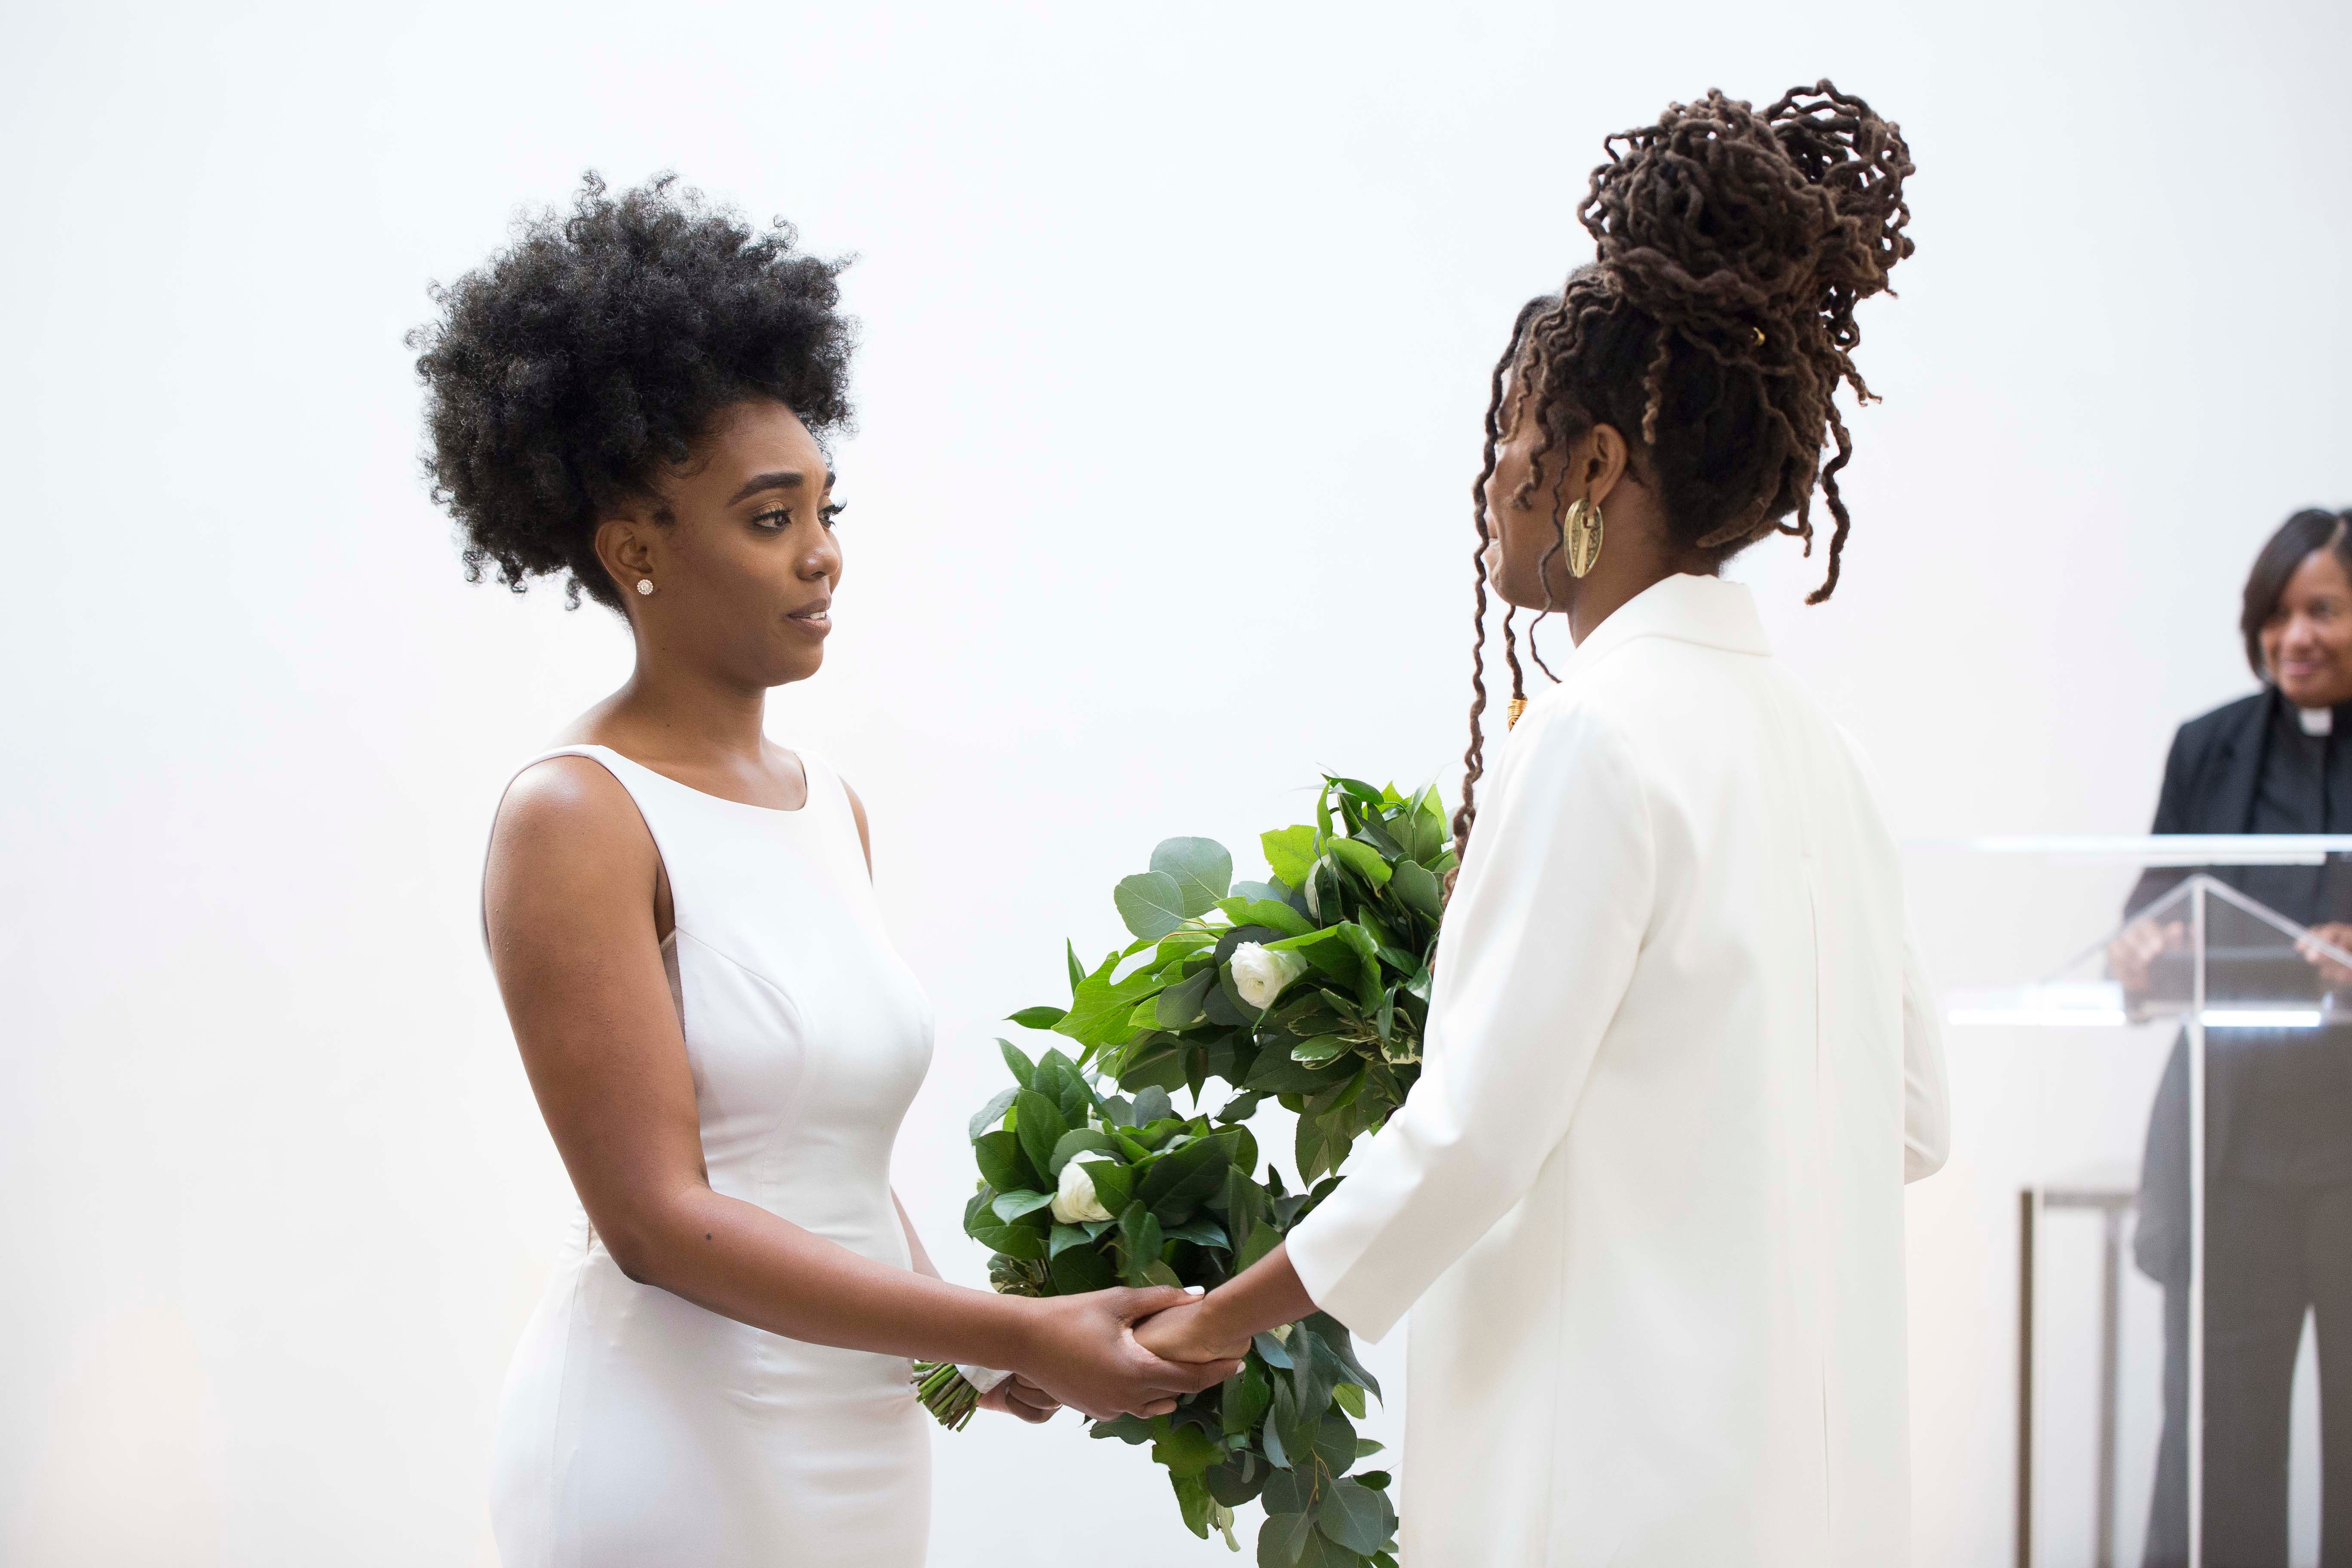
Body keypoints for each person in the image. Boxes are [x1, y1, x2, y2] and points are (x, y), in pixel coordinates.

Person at [1136, 84, 1951, 1566]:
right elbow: (1912, 1119)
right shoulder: (1820, 751)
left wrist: (1213, 1321)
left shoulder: (1596, 735)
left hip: (1616, 1487)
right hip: (1804, 1490)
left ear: (1592, 469)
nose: (1494, 477)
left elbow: (1471, 1138)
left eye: (1516, 434)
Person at [413, 175, 1237, 1568]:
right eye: (768, 518)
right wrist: (1009, 1327)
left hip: (857, 1434)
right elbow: (658, 1222)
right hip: (670, 1443)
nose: (823, 556)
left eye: (825, 508)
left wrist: (972, 1352)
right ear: (635, 551)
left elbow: (823, 1162)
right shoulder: (576, 814)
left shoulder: (830, 807)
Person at [2112, 507, 2352, 1568]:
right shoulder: (2206, 748)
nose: (2294, 637)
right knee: (2219, 1455)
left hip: (2348, 1161)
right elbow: (2153, 910)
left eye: (2324, 611)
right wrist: (2141, 949)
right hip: (2231, 1159)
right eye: (2276, 615)